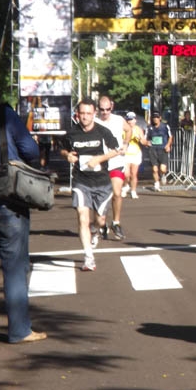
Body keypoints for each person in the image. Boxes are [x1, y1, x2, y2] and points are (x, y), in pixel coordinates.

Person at [0, 75, 46, 343]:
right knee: (15, 268)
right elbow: (30, 150)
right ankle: (19, 330)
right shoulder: (4, 116)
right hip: (9, 202)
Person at [59, 98, 122, 272]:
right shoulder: (72, 133)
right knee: (82, 217)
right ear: (77, 114)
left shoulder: (103, 132)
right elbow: (62, 148)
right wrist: (67, 156)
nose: (85, 117)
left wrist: (99, 159)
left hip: (102, 182)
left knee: (100, 220)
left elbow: (117, 150)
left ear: (94, 114)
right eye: (82, 113)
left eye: (88, 113)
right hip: (81, 182)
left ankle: (97, 229)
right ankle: (88, 257)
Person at [95, 95, 130, 240]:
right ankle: (102, 224)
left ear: (112, 107)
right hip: (101, 163)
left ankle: (116, 222)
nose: (105, 112)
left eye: (107, 109)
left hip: (117, 162)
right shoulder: (95, 121)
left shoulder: (118, 120)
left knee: (117, 193)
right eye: (102, 110)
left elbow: (129, 130)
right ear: (98, 109)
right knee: (101, 196)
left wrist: (126, 143)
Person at [142, 111, 173, 192]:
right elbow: (145, 138)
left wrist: (168, 145)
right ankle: (156, 183)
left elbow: (170, 136)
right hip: (153, 149)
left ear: (160, 118)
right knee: (155, 169)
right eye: (154, 118)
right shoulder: (149, 127)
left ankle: (163, 175)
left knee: (162, 169)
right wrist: (146, 142)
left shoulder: (165, 126)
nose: (155, 119)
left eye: (157, 117)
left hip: (163, 149)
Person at [121, 112, 144, 199]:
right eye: (128, 120)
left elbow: (143, 141)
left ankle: (133, 191)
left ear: (135, 120)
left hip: (135, 153)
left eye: (132, 120)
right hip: (125, 153)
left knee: (133, 174)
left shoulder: (138, 129)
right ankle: (125, 186)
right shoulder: (123, 129)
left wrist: (142, 140)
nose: (130, 122)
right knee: (126, 174)